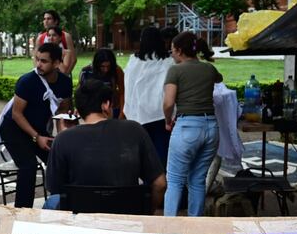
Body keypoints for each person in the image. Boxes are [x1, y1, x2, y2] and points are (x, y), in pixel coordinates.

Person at [45, 79, 166, 211]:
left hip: (81, 219)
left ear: (78, 111)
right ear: (106, 105)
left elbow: (55, 188)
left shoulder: (64, 138)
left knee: (52, 201)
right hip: (128, 214)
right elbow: (160, 184)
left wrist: (65, 136)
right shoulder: (134, 130)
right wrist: (146, 212)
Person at [0, 43, 73, 207]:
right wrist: (37, 137)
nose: (38, 64)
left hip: (38, 129)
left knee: (60, 160)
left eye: (44, 61)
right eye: (37, 59)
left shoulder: (65, 83)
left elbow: (63, 111)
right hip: (14, 130)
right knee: (29, 167)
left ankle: (64, 203)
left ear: (56, 63)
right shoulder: (27, 81)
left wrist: (63, 136)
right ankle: (22, 212)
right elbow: (16, 114)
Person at [163, 31, 222, 217]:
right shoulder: (208, 69)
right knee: (197, 180)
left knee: (174, 180)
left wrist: (167, 120)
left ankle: (168, 228)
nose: (171, 54)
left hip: (187, 127)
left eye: (172, 50)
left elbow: (169, 103)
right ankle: (195, 225)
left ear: (179, 51)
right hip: (211, 128)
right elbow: (219, 78)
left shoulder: (176, 70)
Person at [123, 26, 175, 164]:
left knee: (144, 155)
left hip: (139, 113)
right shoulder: (169, 61)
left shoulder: (134, 61)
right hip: (161, 113)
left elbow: (128, 84)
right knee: (162, 152)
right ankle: (162, 182)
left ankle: (148, 183)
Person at [78, 48, 125, 119]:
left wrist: (121, 114)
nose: (106, 70)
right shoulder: (86, 72)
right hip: (92, 112)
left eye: (108, 66)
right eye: (102, 66)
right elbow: (81, 94)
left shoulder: (116, 70)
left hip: (111, 109)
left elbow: (123, 93)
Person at [34, 9, 76, 75]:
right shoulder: (40, 38)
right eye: (44, 19)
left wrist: (65, 76)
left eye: (49, 19)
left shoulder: (66, 36)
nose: (46, 21)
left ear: (56, 21)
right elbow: (35, 58)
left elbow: (73, 59)